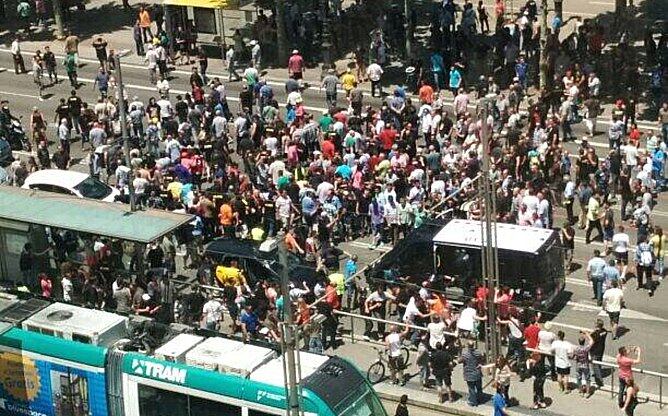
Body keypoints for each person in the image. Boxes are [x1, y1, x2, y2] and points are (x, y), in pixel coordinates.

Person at [459, 340, 484, 407]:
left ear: (467, 346)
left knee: (471, 388)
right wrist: (480, 363)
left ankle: (473, 402)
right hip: (477, 373)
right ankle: (480, 399)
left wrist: (460, 351)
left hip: (469, 374)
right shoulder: (478, 353)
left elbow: (459, 361)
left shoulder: (465, 354)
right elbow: (482, 358)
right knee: (479, 387)